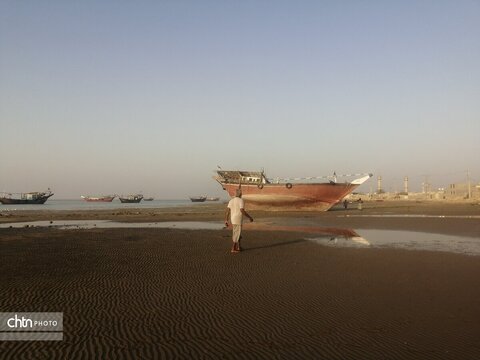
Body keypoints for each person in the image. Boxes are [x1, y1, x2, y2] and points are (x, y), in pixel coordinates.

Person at [225, 188, 253, 253]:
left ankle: (239, 247)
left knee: (237, 233)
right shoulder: (241, 200)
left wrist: (226, 220)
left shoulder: (231, 201)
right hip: (238, 219)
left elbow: (228, 211)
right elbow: (242, 210)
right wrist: (249, 217)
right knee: (236, 233)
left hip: (233, 219)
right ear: (240, 194)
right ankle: (233, 248)